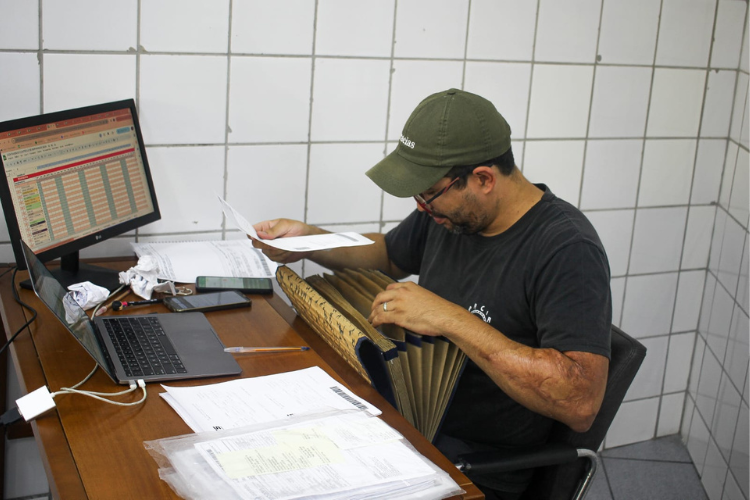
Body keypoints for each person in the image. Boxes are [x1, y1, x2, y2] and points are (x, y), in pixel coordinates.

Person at [252, 89, 612, 499]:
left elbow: (580, 402)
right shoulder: (452, 215)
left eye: (428, 193)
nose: (422, 207)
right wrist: (310, 240)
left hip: (472, 465)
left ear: (483, 178)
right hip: (406, 421)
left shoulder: (566, 248)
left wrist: (451, 318)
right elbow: (388, 254)